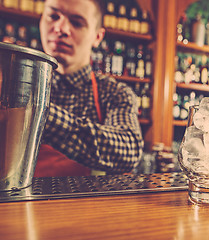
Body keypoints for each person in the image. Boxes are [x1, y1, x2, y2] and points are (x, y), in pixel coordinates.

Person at [34, 0, 144, 177]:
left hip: (85, 204)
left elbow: (128, 151)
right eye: (53, 16)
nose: (60, 28)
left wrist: (37, 112)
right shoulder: (16, 83)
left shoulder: (114, 92)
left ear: (97, 37)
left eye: (77, 23)